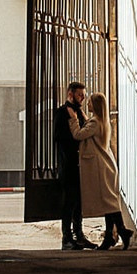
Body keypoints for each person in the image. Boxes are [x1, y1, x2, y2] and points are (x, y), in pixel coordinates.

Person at [67, 91, 134, 250]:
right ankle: (117, 234)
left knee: (109, 203)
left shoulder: (95, 123)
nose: (87, 104)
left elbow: (78, 135)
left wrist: (74, 119)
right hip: (106, 166)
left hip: (102, 168)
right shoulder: (99, 121)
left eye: (89, 102)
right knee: (108, 203)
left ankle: (119, 233)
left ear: (95, 105)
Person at [53, 81, 98, 250]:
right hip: (68, 164)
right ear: (70, 94)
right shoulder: (62, 112)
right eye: (80, 95)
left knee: (79, 201)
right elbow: (59, 138)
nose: (83, 98)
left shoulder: (80, 112)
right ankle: (66, 237)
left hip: (81, 164)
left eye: (84, 95)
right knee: (69, 201)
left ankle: (79, 235)